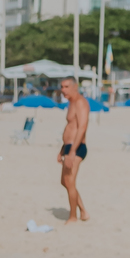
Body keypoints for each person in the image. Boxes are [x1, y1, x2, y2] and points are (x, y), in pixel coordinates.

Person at [58, 75, 90, 221]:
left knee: (70, 182)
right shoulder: (71, 103)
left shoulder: (80, 103)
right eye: (61, 87)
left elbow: (82, 128)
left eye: (66, 87)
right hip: (69, 147)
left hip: (77, 148)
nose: (63, 90)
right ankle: (83, 211)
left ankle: (73, 217)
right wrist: (62, 150)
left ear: (75, 87)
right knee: (64, 181)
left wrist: (71, 152)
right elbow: (70, 127)